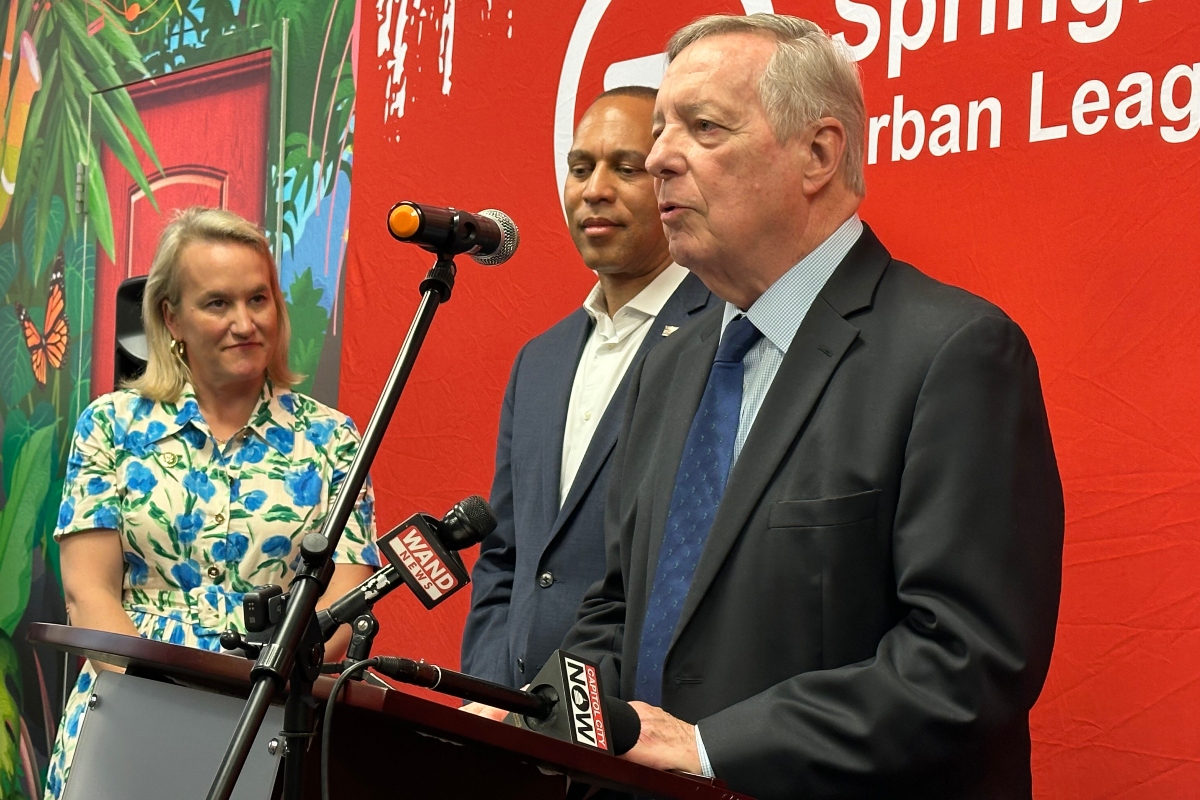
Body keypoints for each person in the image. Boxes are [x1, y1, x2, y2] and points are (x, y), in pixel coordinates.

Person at [561, 14, 1065, 800]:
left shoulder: (954, 353)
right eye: (663, 130)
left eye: (702, 127)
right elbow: (617, 604)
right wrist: (551, 718)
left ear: (819, 153)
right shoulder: (668, 362)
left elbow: (965, 660)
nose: (658, 157)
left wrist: (710, 749)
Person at [43, 208, 380, 799]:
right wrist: (155, 709)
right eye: (218, 303)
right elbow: (87, 593)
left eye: (258, 299)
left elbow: (344, 607)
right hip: (125, 714)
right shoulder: (111, 426)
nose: (245, 322)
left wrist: (262, 693)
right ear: (171, 317)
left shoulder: (334, 440)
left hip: (273, 726)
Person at [461, 87, 717, 688]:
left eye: (625, 169)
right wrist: (493, 688)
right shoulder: (540, 361)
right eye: (580, 168)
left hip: (639, 726)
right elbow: (506, 555)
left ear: (668, 178)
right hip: (518, 730)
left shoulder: (723, 335)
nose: (594, 189)